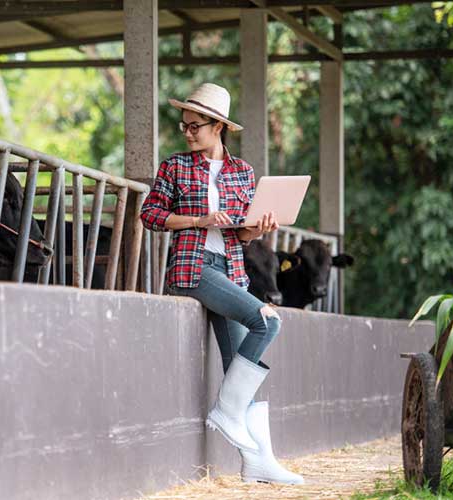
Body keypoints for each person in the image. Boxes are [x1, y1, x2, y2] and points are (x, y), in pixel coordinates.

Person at [139, 83, 303, 485]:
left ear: (218, 127)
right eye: (184, 125)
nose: (187, 132)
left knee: (238, 369)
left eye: (195, 126)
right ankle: (227, 412)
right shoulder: (175, 167)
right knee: (267, 321)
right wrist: (199, 220)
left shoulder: (242, 172)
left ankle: (259, 461)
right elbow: (150, 214)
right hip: (193, 268)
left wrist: (259, 228)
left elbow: (241, 235)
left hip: (230, 270)